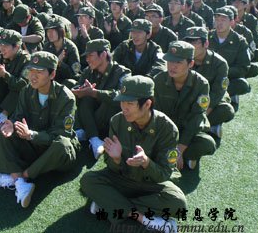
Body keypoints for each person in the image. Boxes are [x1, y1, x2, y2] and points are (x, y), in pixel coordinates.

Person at [80, 75, 186, 233]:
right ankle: (143, 219)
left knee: (178, 202)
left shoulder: (168, 129)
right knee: (88, 180)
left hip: (150, 184)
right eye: (122, 102)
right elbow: (111, 166)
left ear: (147, 104)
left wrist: (146, 163)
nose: (124, 108)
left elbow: (164, 174)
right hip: (122, 179)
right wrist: (116, 159)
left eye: (130, 103)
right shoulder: (117, 121)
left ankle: (110, 204)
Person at [0, 51, 80, 208]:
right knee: (1, 132)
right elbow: (18, 117)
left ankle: (20, 178)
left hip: (54, 153)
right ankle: (21, 183)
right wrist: (11, 124)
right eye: (31, 70)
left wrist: (31, 135)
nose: (33, 76)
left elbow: (61, 134)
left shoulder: (66, 97)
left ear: (52, 74)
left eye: (39, 72)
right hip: (33, 145)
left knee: (63, 144)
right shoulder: (26, 91)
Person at [154, 41, 216, 170]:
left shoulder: (201, 84)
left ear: (190, 64)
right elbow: (155, 114)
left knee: (207, 143)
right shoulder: (159, 80)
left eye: (178, 62)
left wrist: (179, 149)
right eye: (170, 61)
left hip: (187, 131)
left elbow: (196, 118)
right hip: (164, 130)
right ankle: (175, 157)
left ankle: (182, 156)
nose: (172, 66)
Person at [72, 39, 131, 159]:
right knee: (84, 95)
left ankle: (87, 132)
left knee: (108, 101)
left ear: (103, 54)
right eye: (86, 56)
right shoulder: (89, 71)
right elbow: (77, 86)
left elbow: (123, 96)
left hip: (109, 119)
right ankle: (94, 139)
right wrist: (79, 91)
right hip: (92, 115)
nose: (87, 59)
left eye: (90, 55)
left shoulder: (122, 72)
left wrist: (95, 93)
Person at [183, 27, 235, 140]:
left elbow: (217, 93)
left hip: (211, 99)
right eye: (188, 42)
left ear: (206, 44)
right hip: (190, 97)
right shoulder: (182, 60)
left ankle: (207, 125)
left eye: (195, 42)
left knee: (226, 110)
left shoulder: (220, 63)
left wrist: (202, 116)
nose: (191, 46)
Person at [0, 29, 30, 129]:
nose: (2, 49)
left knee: (19, 89)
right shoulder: (1, 57)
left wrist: (5, 75)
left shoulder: (26, 60)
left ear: (17, 47)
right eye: (0, 45)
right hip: (5, 93)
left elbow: (23, 84)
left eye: (5, 46)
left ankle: (3, 117)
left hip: (19, 98)